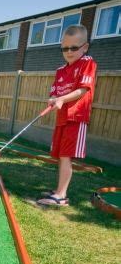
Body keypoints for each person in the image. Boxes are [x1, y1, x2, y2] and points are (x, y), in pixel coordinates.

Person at [37, 24, 97, 207]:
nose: (69, 52)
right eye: (64, 48)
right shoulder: (60, 70)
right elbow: (54, 93)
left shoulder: (88, 63)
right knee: (60, 155)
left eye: (74, 47)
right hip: (62, 119)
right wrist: (53, 100)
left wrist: (62, 99)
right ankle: (58, 190)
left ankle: (61, 195)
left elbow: (82, 90)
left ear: (85, 47)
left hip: (76, 118)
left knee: (65, 156)